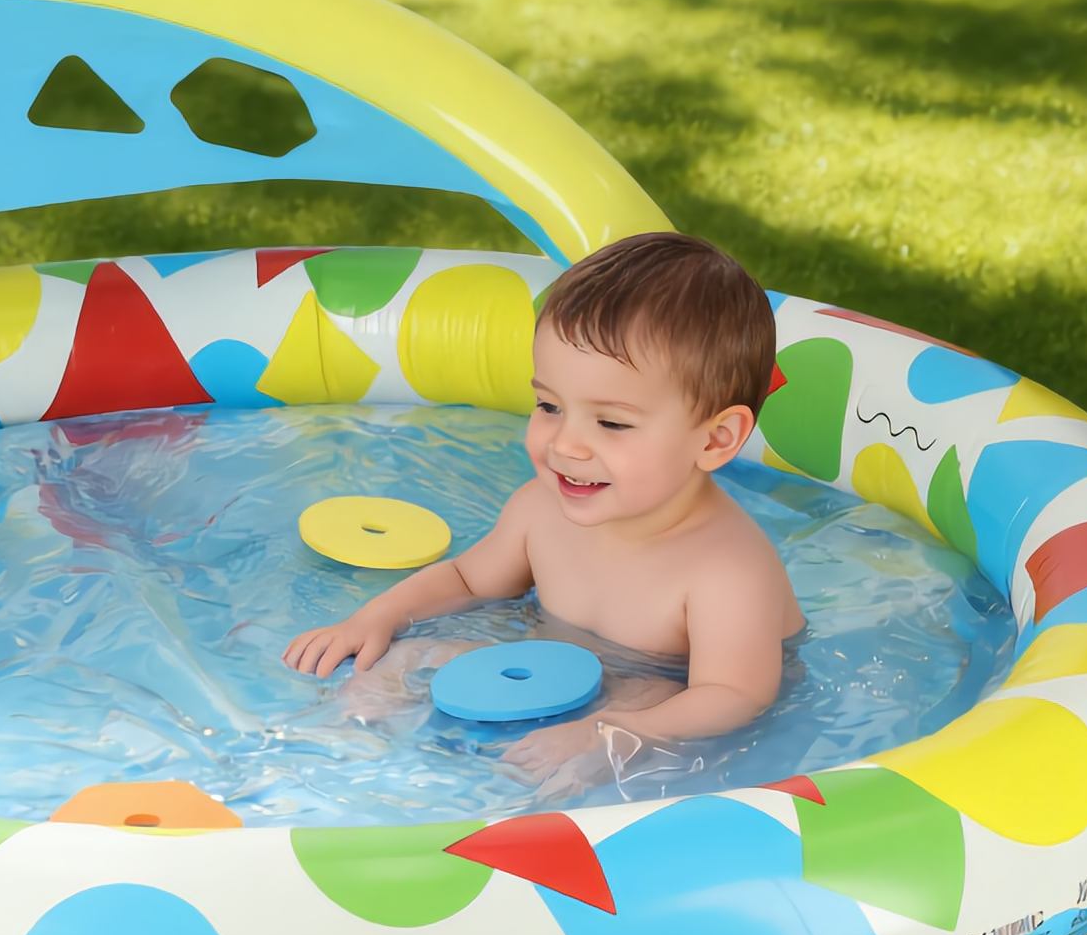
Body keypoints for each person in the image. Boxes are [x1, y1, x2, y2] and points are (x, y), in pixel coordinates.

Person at [282, 231, 801, 780]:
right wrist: (376, 617)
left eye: (611, 422)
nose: (565, 445)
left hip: (655, 694)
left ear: (716, 439)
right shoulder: (540, 510)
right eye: (549, 406)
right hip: (544, 669)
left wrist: (613, 732)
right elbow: (467, 580)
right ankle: (341, 750)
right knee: (406, 657)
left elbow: (733, 695)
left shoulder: (727, 569)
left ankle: (520, 807)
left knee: (643, 704)